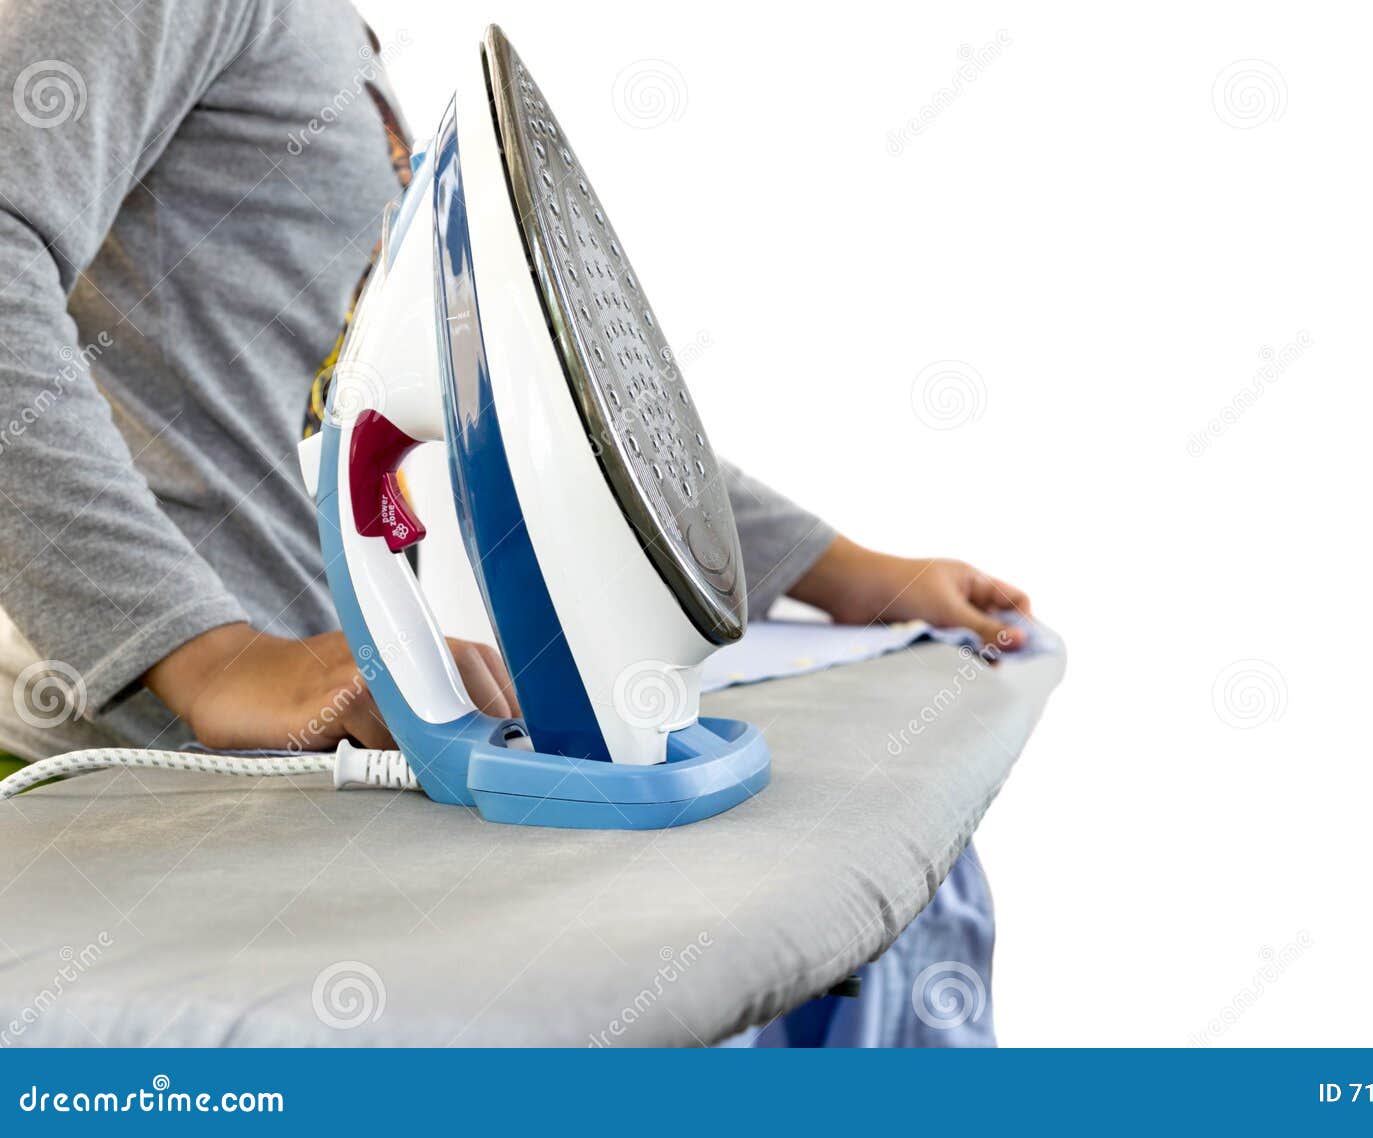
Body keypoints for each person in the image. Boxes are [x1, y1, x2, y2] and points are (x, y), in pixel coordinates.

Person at [0, 0, 1030, 763]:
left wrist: (830, 566)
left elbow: (488, 383)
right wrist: (204, 656)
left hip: (287, 752)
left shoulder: (322, 35)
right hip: (117, 770)